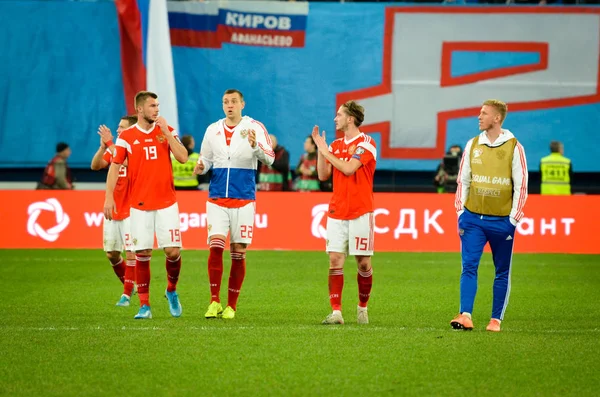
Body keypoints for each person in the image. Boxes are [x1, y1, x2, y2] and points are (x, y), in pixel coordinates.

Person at [103, 91, 188, 320]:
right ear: (140, 109)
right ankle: (145, 305)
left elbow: (183, 157)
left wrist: (168, 134)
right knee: (142, 253)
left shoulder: (166, 131)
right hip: (139, 205)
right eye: (152, 106)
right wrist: (108, 197)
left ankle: (171, 289)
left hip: (166, 202)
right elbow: (114, 166)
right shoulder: (127, 136)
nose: (157, 109)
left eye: (158, 105)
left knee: (172, 252)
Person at [193, 88, 275, 320]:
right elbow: (206, 159)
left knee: (238, 252)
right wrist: (201, 166)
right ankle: (214, 302)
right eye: (225, 102)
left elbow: (270, 157)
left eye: (233, 101)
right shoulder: (213, 129)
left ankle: (231, 305)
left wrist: (255, 146)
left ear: (242, 104)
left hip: (244, 198)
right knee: (216, 246)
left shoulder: (255, 127)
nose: (229, 105)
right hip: (217, 197)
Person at [452, 99, 528, 332]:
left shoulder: (514, 146)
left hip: (501, 222)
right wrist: (461, 213)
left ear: (497, 118)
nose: (479, 116)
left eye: (484, 113)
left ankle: (495, 320)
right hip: (473, 219)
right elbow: (462, 180)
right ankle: (465, 315)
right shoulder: (473, 144)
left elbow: (521, 185)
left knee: (501, 271)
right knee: (469, 266)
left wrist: (513, 219)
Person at [312, 100, 377, 325]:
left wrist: (325, 151)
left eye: (339, 115)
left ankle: (362, 307)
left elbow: (349, 169)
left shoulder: (366, 143)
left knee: (363, 264)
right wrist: (323, 151)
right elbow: (322, 175)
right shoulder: (336, 145)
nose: (335, 118)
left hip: (361, 211)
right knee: (335, 260)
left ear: (351, 118)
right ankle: (337, 312)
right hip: (337, 210)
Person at [91, 115, 138, 306]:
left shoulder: (135, 149)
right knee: (112, 253)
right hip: (114, 207)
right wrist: (103, 147)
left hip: (133, 208)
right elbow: (95, 166)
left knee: (131, 252)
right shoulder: (113, 150)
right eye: (118, 127)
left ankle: (126, 294)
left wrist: (110, 142)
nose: (118, 130)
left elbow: (127, 164)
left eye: (121, 127)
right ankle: (130, 284)